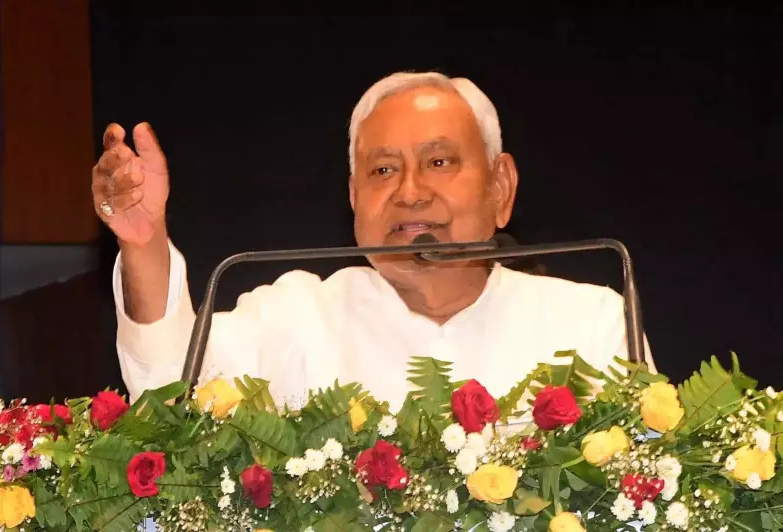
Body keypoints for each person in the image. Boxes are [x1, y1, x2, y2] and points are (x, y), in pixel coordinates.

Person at [92, 71, 655, 410]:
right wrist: (145, 243)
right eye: (383, 171)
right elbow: (170, 396)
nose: (410, 193)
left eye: (439, 162)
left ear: (500, 186)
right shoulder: (296, 316)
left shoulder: (590, 324)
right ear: (354, 198)